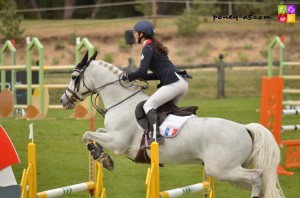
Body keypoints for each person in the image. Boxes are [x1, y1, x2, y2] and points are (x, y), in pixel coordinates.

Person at [122, 20, 192, 148]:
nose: (134, 35)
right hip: (181, 82)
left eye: (136, 32)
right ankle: (172, 137)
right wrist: (142, 78)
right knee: (163, 110)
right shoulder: (153, 46)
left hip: (174, 83)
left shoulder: (147, 47)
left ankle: (156, 136)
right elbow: (157, 73)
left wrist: (128, 76)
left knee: (149, 105)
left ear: (142, 34)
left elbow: (142, 71)